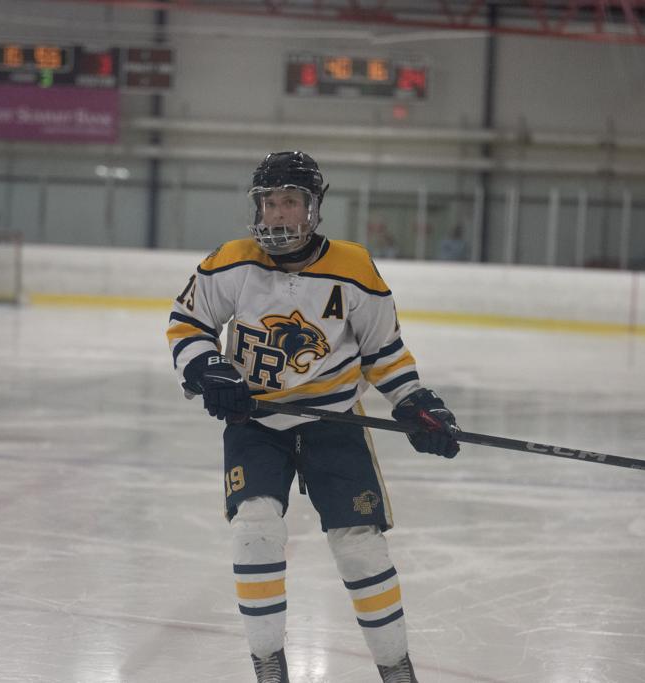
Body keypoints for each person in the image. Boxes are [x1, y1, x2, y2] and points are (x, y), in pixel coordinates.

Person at [166, 151, 460, 683]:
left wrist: (416, 402)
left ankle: (395, 667)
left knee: (361, 546)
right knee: (254, 529)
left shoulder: (353, 267)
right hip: (256, 422)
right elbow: (188, 323)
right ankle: (268, 664)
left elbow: (384, 352)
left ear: (313, 207)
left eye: (290, 202)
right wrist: (209, 370)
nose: (278, 213)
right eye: (269, 203)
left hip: (335, 421)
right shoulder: (230, 261)